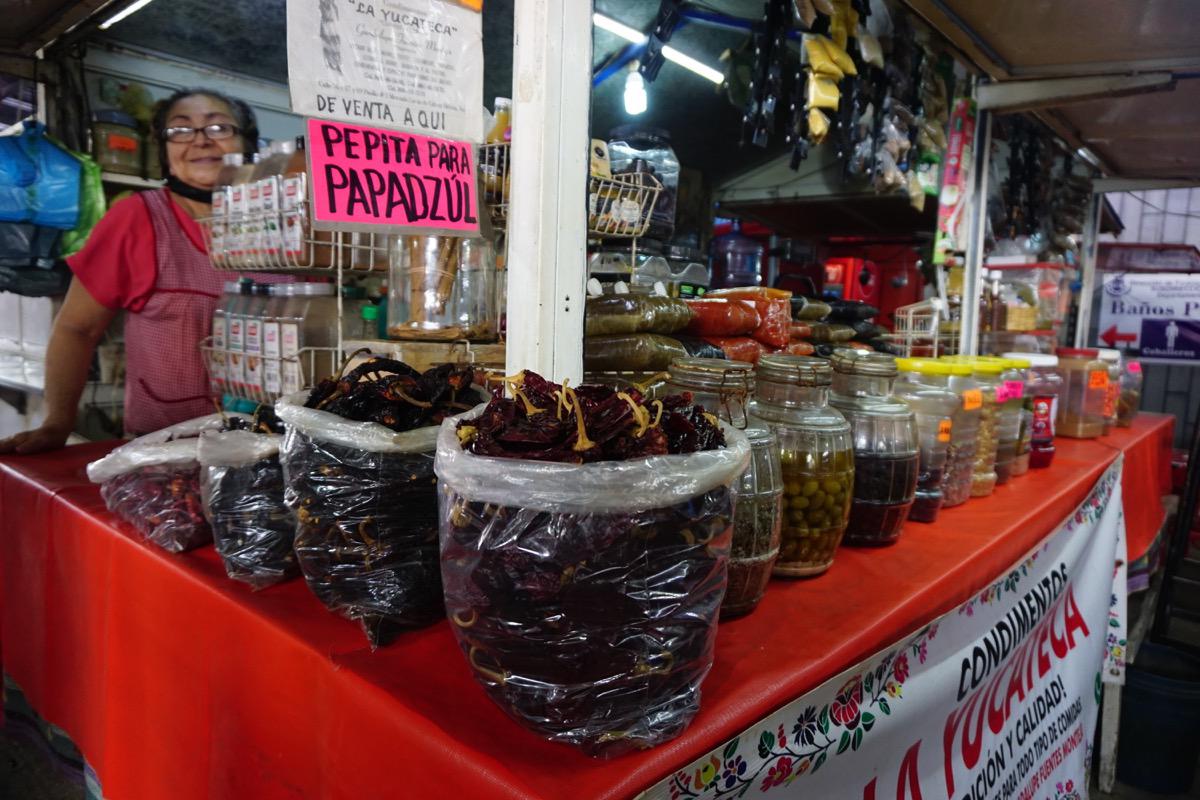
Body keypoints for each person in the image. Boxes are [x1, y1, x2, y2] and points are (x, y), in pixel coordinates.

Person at [0, 88, 262, 454]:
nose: (201, 141)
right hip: (165, 448)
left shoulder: (278, 225)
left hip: (264, 444)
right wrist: (57, 423)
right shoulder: (138, 217)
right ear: (163, 150)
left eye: (219, 128)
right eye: (181, 130)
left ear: (248, 144)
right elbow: (78, 327)